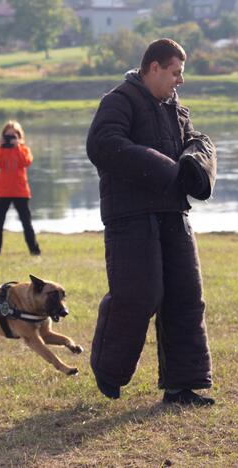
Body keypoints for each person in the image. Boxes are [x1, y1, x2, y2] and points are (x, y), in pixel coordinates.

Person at [86, 38, 217, 406]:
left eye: (182, 73)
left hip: (173, 214)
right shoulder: (118, 100)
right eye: (175, 73)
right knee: (138, 295)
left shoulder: (176, 110)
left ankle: (181, 388)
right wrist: (167, 170)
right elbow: (102, 144)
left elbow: (194, 141)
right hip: (130, 218)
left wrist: (196, 160)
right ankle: (109, 371)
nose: (180, 81)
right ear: (154, 68)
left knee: (185, 297)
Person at [0, 120, 41, 257]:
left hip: (20, 191)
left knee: (26, 223)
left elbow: (26, 162)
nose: (10, 138)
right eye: (8, 135)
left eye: (13, 135)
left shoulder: (24, 150)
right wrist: (1, 147)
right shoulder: (0, 150)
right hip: (2, 192)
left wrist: (17, 146)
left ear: (19, 136)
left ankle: (34, 251)